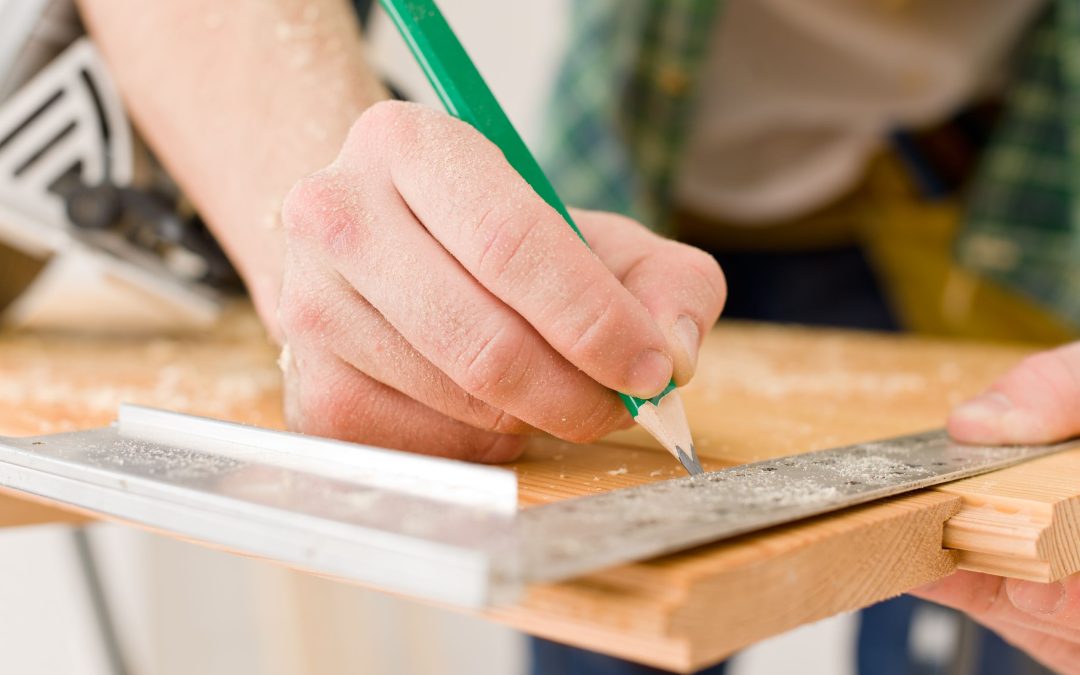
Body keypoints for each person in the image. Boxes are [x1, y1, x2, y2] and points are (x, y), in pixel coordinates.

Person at [74, 1, 1078, 673]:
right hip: (642, 193)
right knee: (605, 616)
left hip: (990, 212)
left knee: (1011, 621)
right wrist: (321, 219)